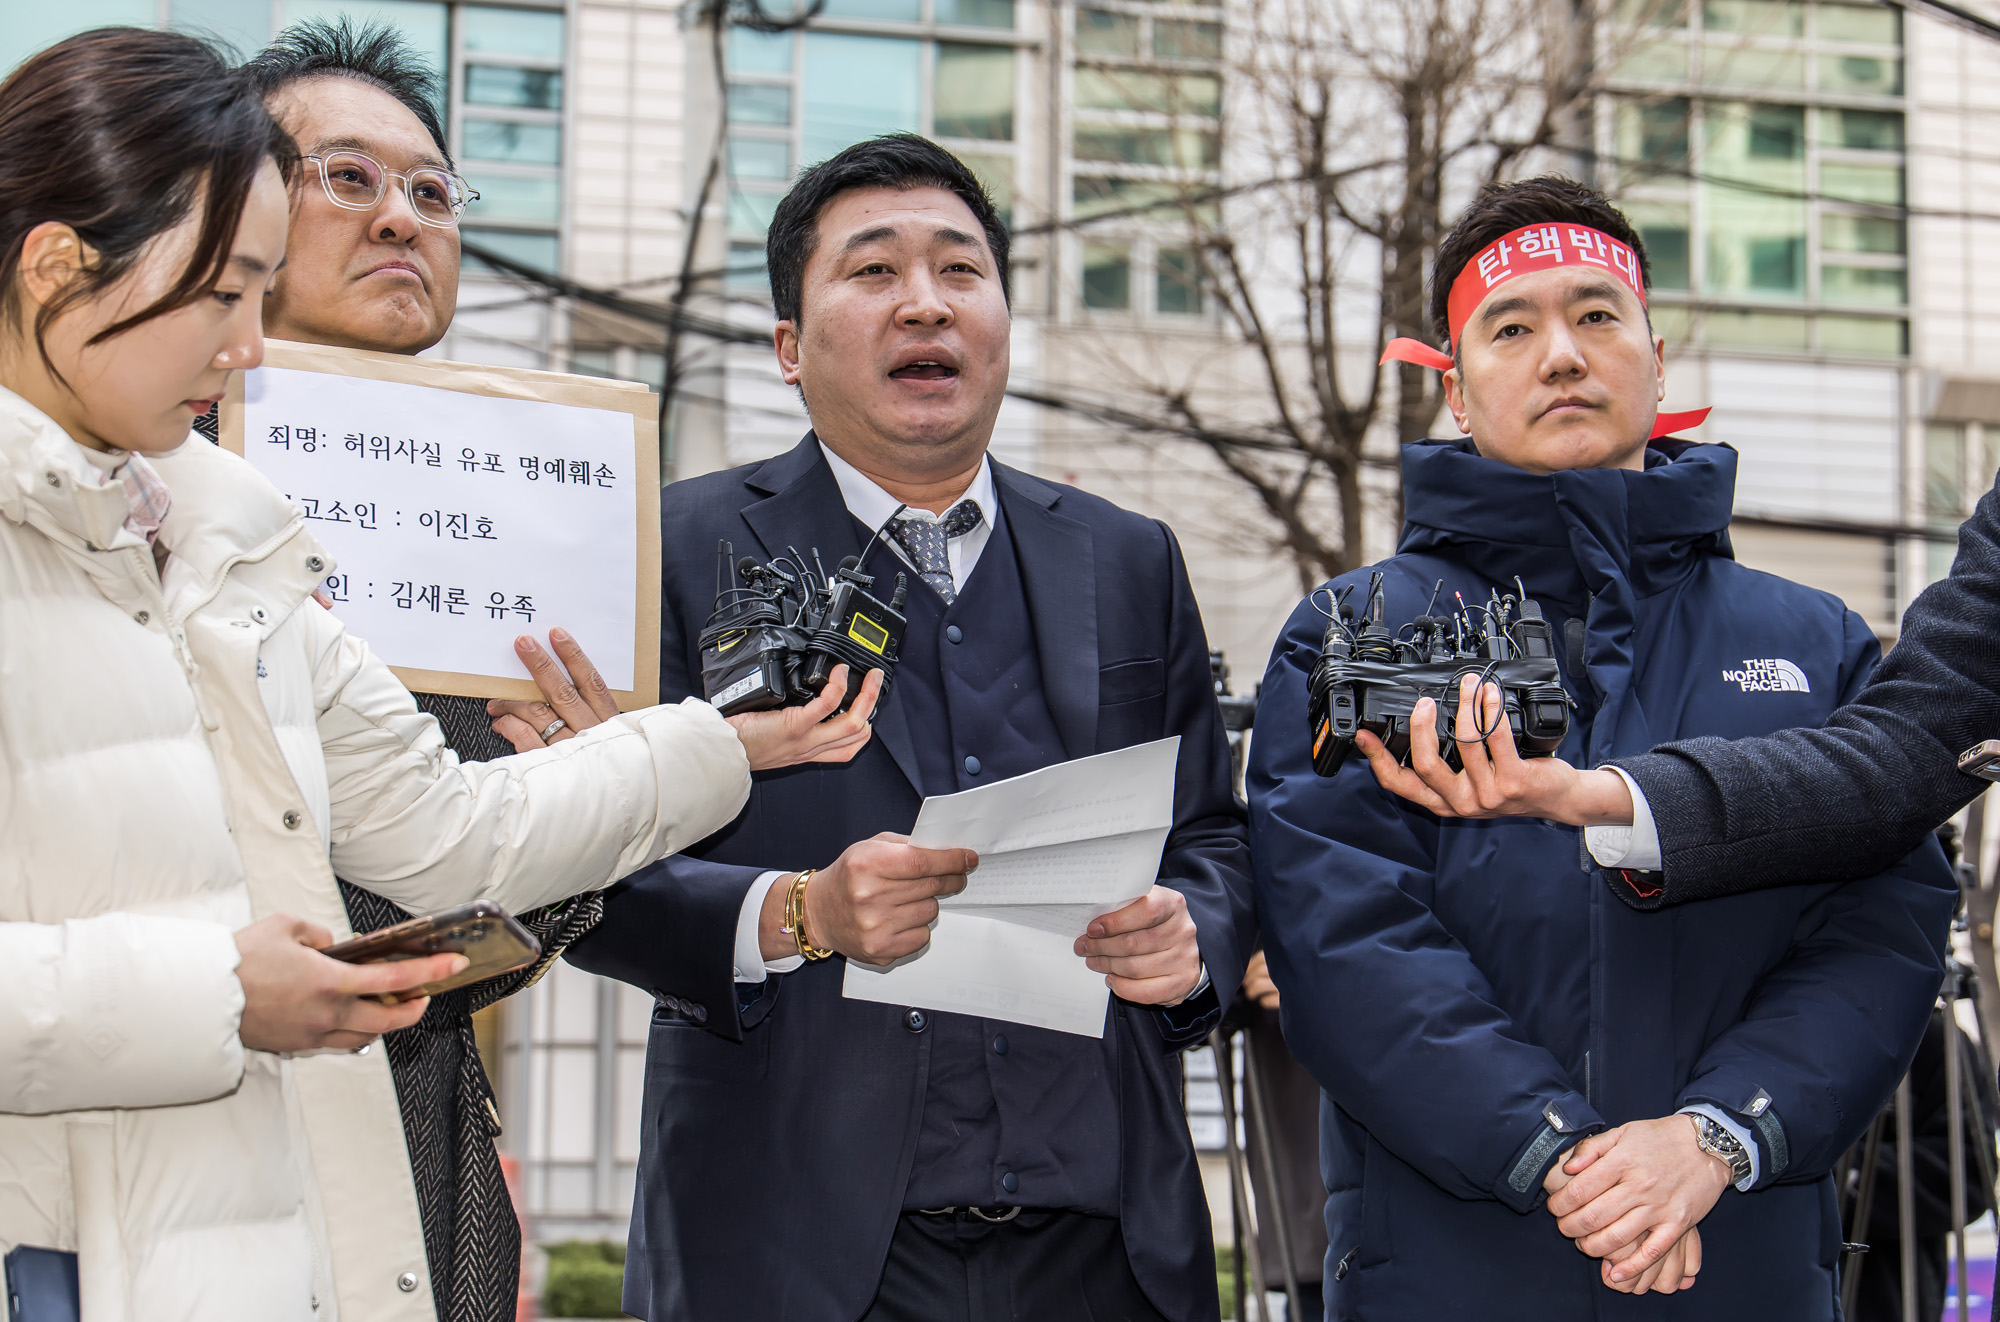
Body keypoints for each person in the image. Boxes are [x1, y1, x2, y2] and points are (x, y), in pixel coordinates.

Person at [0, 28, 868, 1322]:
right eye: (222, 289)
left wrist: (720, 743)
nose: (240, 342)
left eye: (253, 289)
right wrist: (222, 990)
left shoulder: (225, 534)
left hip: (289, 1228)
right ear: (61, 263)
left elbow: (454, 834)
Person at [490, 133, 1256, 1321]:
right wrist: (797, 913)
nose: (923, 304)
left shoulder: (1126, 556)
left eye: (960, 270)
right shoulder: (669, 549)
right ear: (789, 349)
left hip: (1104, 1240)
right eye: (872, 272)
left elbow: (1213, 831)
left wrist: (1193, 929)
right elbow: (572, 858)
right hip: (792, 1239)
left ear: (1003, 315)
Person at [1246, 176, 1956, 1318]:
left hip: (1740, 1250)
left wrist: (1717, 1132)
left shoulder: (1810, 638)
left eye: (1594, 315)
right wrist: (1560, 1156)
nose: (1561, 355)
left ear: (1656, 360)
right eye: (1510, 327)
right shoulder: (1354, 632)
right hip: (1449, 1265)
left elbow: (1883, 924)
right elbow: (1340, 930)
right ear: (1458, 390)